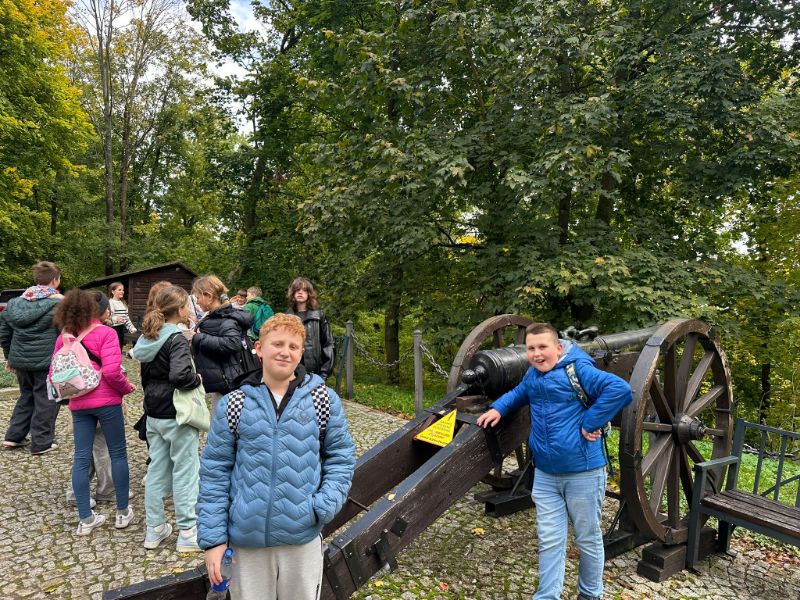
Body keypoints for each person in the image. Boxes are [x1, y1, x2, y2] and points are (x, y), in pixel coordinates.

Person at [198, 313, 356, 600]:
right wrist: (214, 540)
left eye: (293, 346)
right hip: (247, 542)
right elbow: (215, 471)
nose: (285, 352)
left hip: (301, 538)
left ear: (301, 353)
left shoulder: (322, 400)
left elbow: (341, 456)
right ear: (259, 348)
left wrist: (324, 505)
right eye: (278, 344)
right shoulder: (235, 403)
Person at [476, 323, 632, 600]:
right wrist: (498, 407)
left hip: (583, 473)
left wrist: (591, 421)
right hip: (546, 474)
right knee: (549, 540)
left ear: (558, 348)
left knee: (587, 539)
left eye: (542, 347)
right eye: (531, 348)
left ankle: (590, 595)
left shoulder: (578, 369)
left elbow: (619, 389)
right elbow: (519, 393)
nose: (537, 354)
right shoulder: (533, 375)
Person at [52, 289, 136, 535]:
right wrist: (126, 388)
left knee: (80, 457)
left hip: (78, 403)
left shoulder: (64, 336)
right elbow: (111, 372)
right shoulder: (107, 333)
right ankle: (122, 512)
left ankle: (86, 519)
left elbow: (54, 373)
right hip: (107, 402)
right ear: (95, 310)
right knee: (118, 454)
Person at [132, 285, 203, 552]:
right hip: (177, 413)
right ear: (181, 309)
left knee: (156, 471)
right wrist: (197, 379)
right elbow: (180, 376)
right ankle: (188, 532)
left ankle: (155, 529)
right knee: (185, 472)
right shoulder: (176, 339)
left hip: (154, 412)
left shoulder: (148, 338)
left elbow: (146, 377)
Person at [0, 261, 63, 455]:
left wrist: (10, 357)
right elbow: (64, 334)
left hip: (20, 361)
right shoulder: (60, 303)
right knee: (46, 399)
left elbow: (4, 334)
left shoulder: (14, 303)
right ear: (55, 280)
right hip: (46, 361)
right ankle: (42, 442)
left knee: (26, 395)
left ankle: (14, 436)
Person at [190, 275, 254, 408]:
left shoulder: (225, 319)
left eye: (198, 298)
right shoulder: (216, 316)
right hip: (223, 383)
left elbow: (232, 343)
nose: (197, 302)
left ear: (209, 296)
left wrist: (198, 338)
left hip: (228, 386)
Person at [285, 277, 334, 380]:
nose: (300, 292)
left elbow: (328, 344)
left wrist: (324, 374)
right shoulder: (286, 317)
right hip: (291, 370)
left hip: (314, 371)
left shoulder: (318, 316)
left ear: (309, 294)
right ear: (293, 293)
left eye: (304, 290)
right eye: (297, 290)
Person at [108, 282, 136, 350]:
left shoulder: (123, 303)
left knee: (119, 347)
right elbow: (107, 317)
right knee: (113, 348)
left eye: (123, 290)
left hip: (121, 329)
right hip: (113, 329)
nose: (122, 292)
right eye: (119, 290)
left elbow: (126, 318)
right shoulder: (110, 302)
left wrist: (131, 328)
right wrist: (116, 319)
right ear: (113, 292)